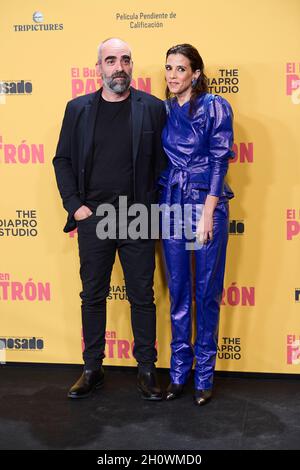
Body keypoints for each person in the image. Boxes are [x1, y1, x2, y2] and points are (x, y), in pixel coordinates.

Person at [53, 38, 167, 400]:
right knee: (93, 297)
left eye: (126, 60)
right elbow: (63, 160)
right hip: (94, 217)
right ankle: (92, 368)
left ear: (132, 65)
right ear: (98, 68)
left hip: (138, 215)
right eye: (111, 60)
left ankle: (147, 370)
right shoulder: (78, 110)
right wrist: (76, 206)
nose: (120, 67)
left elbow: (165, 163)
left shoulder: (152, 108)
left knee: (142, 298)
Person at [158, 44, 235, 406]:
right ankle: (178, 374)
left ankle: (204, 375)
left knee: (205, 292)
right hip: (172, 201)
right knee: (178, 291)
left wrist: (207, 212)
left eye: (181, 69)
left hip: (205, 205)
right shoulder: (164, 109)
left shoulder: (215, 106)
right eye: (169, 68)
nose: (173, 75)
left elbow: (221, 161)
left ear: (196, 74)